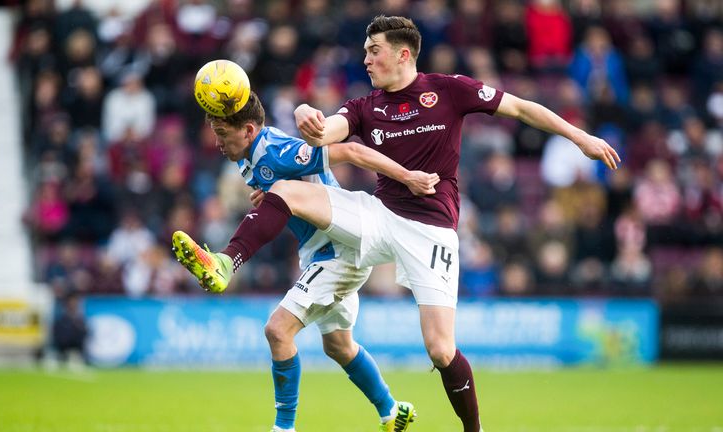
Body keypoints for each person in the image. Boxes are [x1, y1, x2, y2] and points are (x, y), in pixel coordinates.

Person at [181, 16, 621, 432]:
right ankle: (225, 263)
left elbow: (522, 109)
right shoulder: (364, 106)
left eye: (374, 51)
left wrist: (582, 138)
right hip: (376, 215)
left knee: (441, 349)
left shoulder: (449, 90)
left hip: (431, 229)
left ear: (404, 54)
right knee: (285, 193)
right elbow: (328, 135)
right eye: (366, 52)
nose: (367, 59)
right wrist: (305, 114)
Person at [173, 91, 435, 432]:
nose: (218, 143)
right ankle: (391, 410)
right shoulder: (247, 159)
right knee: (339, 346)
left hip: (339, 248)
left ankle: (284, 428)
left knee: (277, 331)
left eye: (223, 135)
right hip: (322, 250)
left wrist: (407, 176)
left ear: (249, 130)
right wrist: (271, 191)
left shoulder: (277, 150)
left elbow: (352, 151)